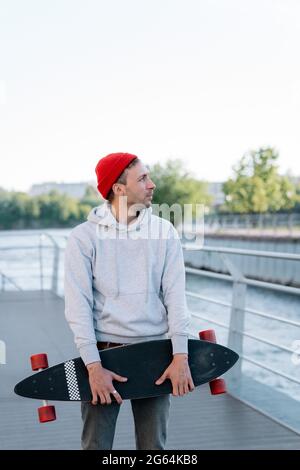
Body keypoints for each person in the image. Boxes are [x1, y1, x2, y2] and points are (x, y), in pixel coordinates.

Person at [64, 152, 194, 450]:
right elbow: (77, 306)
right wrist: (94, 367)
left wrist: (180, 356)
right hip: (104, 357)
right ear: (119, 189)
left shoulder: (164, 232)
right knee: (96, 447)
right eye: (143, 178)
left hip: (156, 356)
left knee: (154, 449)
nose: (152, 184)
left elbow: (176, 297)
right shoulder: (83, 238)